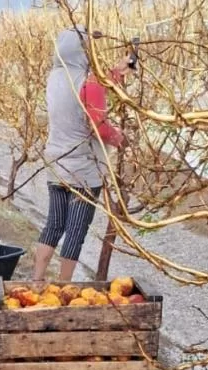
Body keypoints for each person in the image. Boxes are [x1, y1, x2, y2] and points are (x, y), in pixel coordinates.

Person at [32, 26, 131, 282]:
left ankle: (36, 280)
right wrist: (120, 138)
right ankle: (63, 287)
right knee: (75, 230)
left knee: (54, 225)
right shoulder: (90, 81)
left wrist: (118, 71)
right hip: (84, 170)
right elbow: (99, 126)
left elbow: (88, 89)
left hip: (57, 164)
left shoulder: (55, 77)